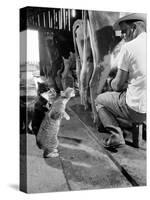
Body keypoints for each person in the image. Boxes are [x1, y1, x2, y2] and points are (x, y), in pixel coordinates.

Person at [95, 14, 146, 148]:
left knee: (100, 100)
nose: (122, 36)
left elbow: (117, 85)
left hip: (137, 110)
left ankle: (116, 135)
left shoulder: (128, 47)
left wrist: (110, 81)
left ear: (134, 27)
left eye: (124, 31)